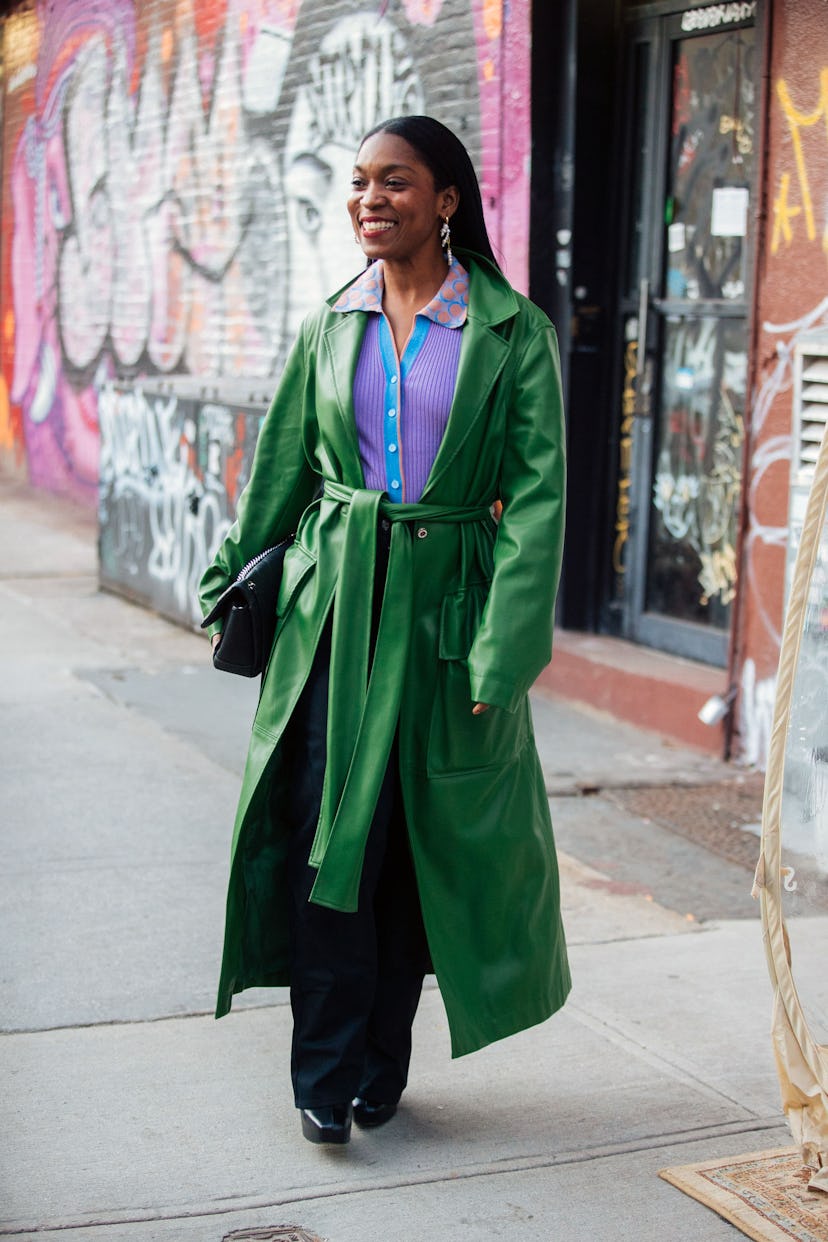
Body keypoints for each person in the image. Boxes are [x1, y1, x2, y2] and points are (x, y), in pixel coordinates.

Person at [199, 115, 570, 1147]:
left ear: (446, 200)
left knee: (413, 852)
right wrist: (234, 575)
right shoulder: (332, 324)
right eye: (360, 182)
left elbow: (537, 500)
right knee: (332, 842)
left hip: (449, 619)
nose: (370, 199)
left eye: (396, 182)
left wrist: (505, 648)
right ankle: (320, 1071)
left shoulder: (510, 331)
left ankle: (379, 1066)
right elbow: (282, 463)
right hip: (337, 614)